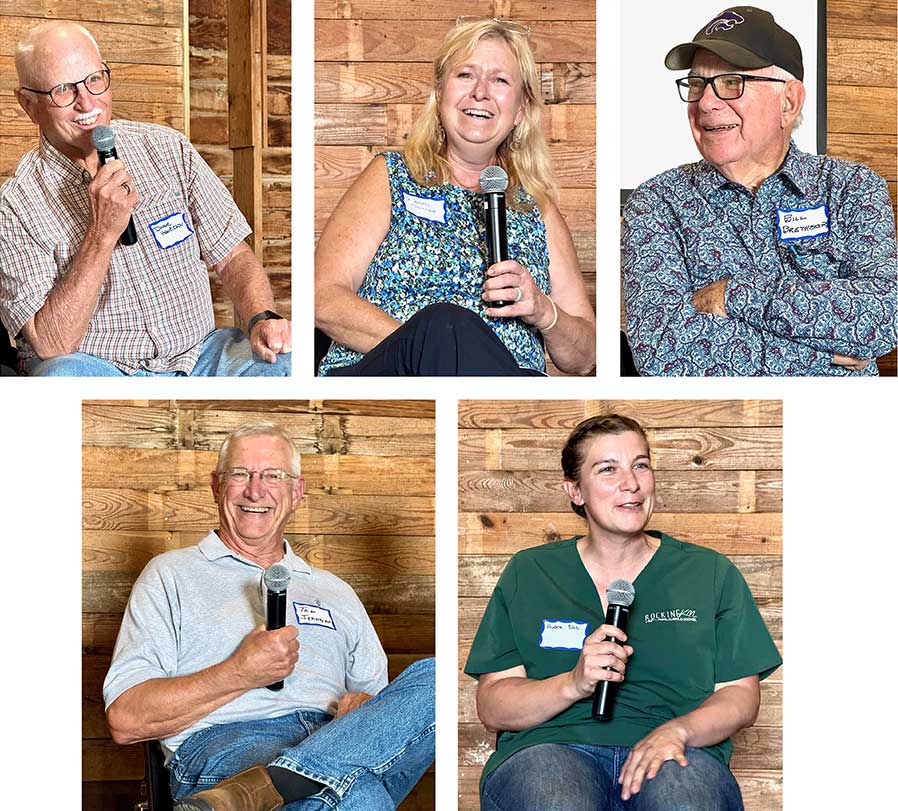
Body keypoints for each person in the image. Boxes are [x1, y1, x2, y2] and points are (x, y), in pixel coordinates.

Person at [103, 421, 434, 810]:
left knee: (437, 678)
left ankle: (263, 788)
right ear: (216, 486)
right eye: (240, 474)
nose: (255, 490)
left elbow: (389, 712)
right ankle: (285, 782)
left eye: (273, 476)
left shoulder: (337, 592)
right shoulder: (170, 575)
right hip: (230, 743)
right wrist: (239, 673)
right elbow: (125, 719)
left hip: (343, 739)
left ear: (297, 493)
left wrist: (365, 706)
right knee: (359, 794)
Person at [465, 415, 781, 810]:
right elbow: (492, 706)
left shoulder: (710, 573)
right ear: (575, 490)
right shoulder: (530, 572)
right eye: (608, 469)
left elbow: (741, 696)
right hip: (551, 749)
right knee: (558, 798)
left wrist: (679, 732)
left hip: (674, 752)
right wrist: (573, 683)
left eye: (641, 465)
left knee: (685, 800)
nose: (631, 483)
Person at [0, 22, 291, 376]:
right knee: (60, 377)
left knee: (285, 363)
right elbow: (51, 343)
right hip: (102, 368)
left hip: (201, 356)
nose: (87, 103)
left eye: (94, 79)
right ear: (28, 104)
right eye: (63, 90)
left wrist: (261, 317)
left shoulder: (167, 148)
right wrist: (101, 234)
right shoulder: (14, 205)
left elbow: (233, 256)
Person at [622, 6, 896, 376]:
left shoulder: (852, 188)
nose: (705, 102)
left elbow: (883, 318)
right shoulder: (656, 203)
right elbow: (661, 354)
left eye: (731, 82)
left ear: (789, 102)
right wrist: (820, 358)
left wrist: (732, 295)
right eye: (697, 84)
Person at [315, 18, 595, 376]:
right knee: (445, 324)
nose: (480, 92)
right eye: (465, 75)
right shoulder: (391, 177)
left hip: (503, 389)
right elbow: (322, 296)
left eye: (500, 80)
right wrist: (428, 347)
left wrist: (542, 309)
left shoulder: (535, 207)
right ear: (439, 93)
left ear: (521, 109)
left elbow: (587, 356)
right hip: (390, 375)